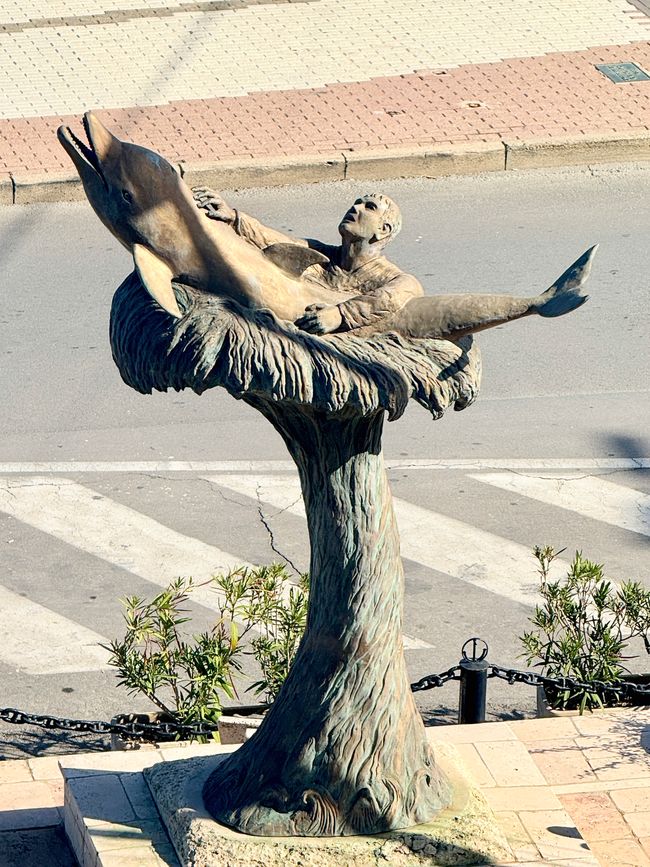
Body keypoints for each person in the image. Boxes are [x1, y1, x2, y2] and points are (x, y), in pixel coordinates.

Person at [192, 189, 424, 335]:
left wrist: (340, 315)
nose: (355, 208)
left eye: (369, 207)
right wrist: (234, 218)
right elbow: (278, 240)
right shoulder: (322, 255)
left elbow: (391, 298)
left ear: (383, 230)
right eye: (356, 202)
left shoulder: (396, 280)